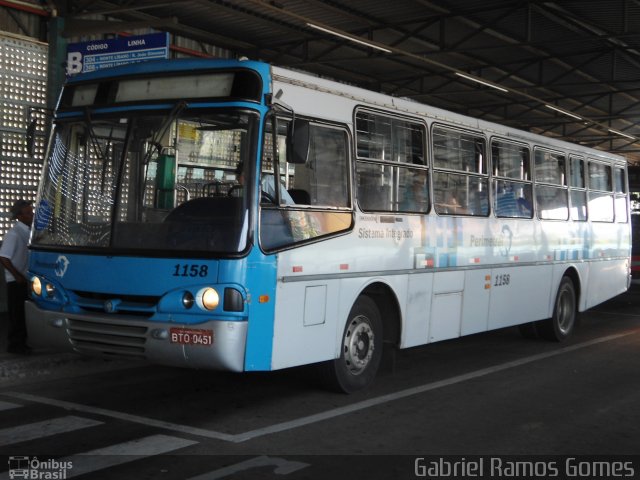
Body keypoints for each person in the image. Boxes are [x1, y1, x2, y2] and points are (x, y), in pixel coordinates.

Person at [0, 200, 33, 354]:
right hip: (16, 281)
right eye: (27, 213)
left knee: (22, 313)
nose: (31, 214)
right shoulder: (14, 234)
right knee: (17, 314)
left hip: (24, 278)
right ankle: (15, 345)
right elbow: (4, 257)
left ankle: (21, 343)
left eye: (31, 211)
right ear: (19, 216)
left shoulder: (28, 231)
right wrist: (17, 276)